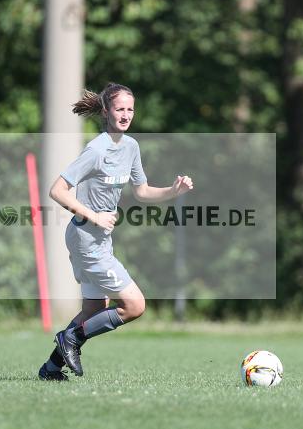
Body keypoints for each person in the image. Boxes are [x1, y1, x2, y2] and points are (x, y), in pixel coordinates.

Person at [38, 82, 194, 380]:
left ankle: (51, 367)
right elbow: (57, 191)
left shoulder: (131, 147)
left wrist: (173, 191)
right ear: (106, 112)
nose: (125, 115)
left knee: (95, 309)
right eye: (119, 109)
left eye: (130, 109)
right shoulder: (96, 150)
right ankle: (70, 339)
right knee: (135, 305)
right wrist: (94, 215)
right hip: (85, 238)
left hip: (99, 240)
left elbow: (142, 192)